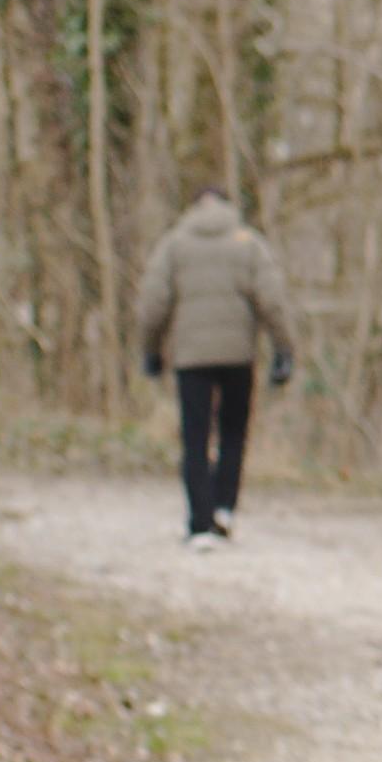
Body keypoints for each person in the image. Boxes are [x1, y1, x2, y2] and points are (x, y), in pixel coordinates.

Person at [133, 189, 297, 545]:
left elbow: (153, 301)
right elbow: (272, 299)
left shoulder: (174, 246)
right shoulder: (248, 245)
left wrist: (150, 348)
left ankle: (199, 522)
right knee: (233, 433)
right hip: (239, 355)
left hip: (191, 357)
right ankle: (224, 509)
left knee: (195, 438)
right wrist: (283, 347)